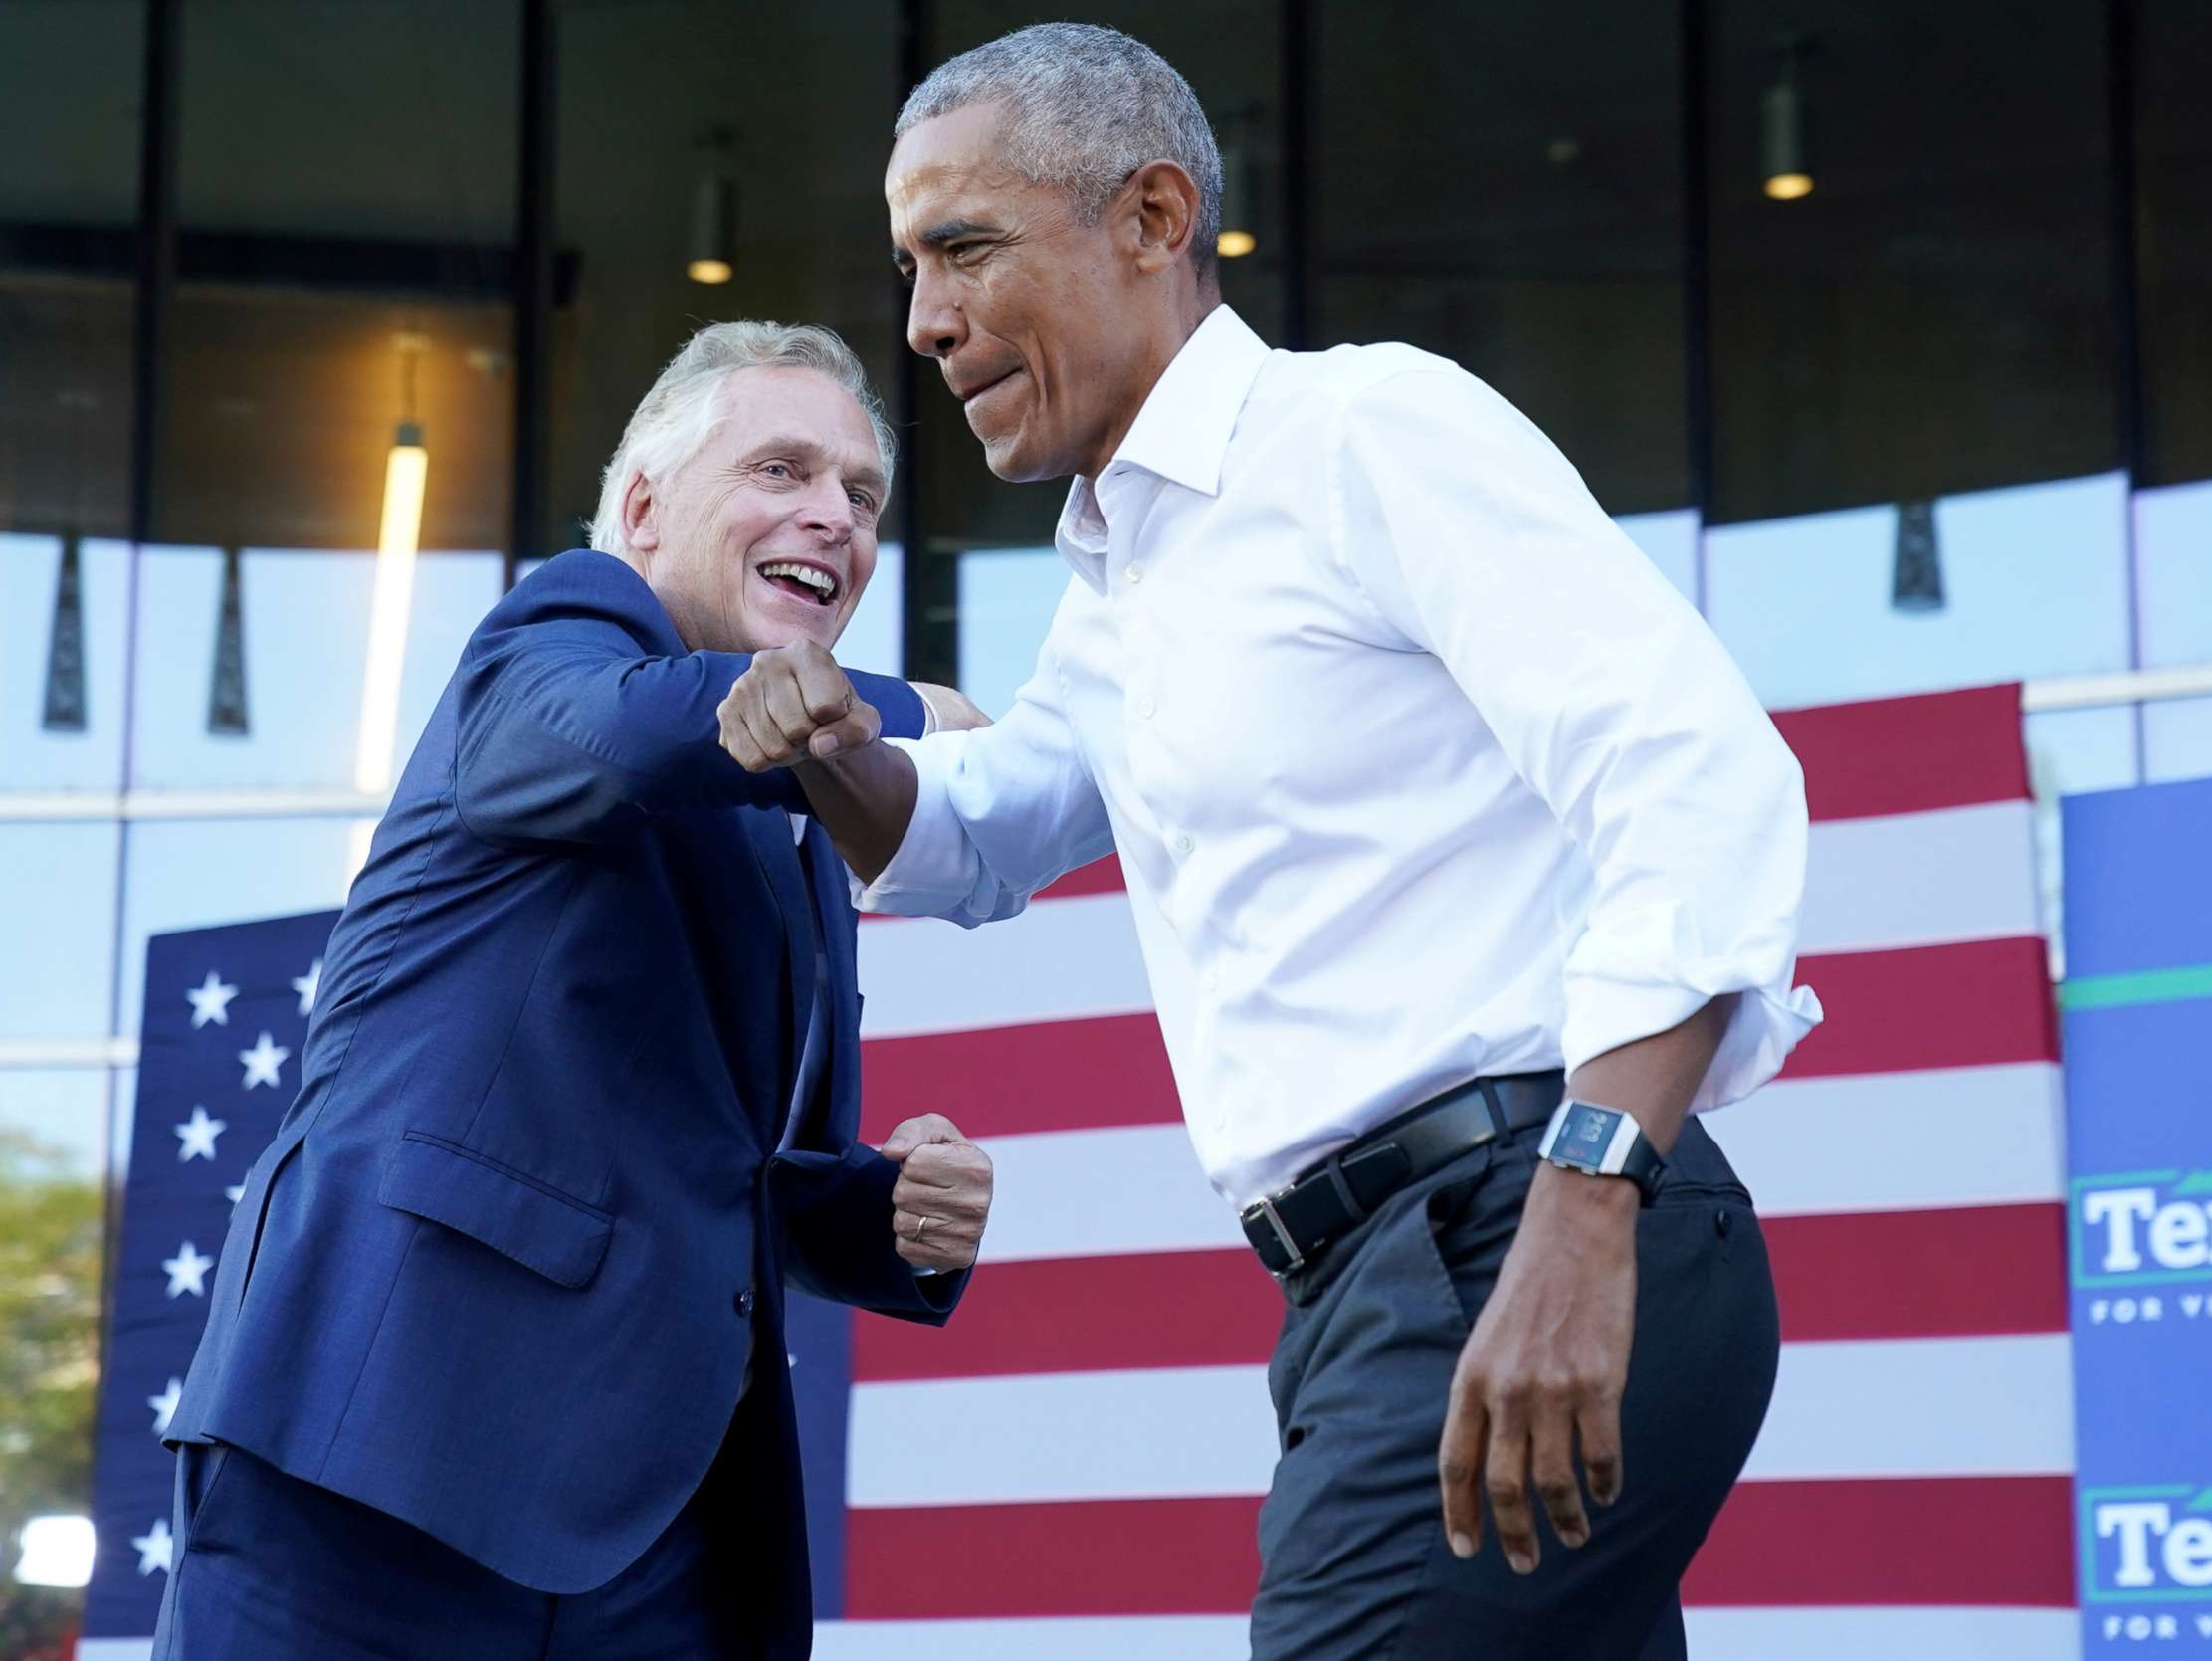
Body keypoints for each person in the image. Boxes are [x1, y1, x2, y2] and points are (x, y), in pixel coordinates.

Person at [735, 24, 1826, 1658]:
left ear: (1155, 217)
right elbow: (984, 828)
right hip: (1374, 1290)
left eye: (963, 248)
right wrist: (830, 748)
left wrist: (1579, 1210)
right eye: (908, 266)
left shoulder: (1363, 433)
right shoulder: (1121, 573)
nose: (925, 321)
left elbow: (1700, 775)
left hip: (1524, 1227)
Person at [155, 321, 995, 1661]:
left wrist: (887, 1210)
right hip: (382, 1465)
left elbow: (725, 1179)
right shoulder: (564, 628)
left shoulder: (800, 839)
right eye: (783, 468)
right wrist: (919, 715)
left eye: (861, 494)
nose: (832, 516)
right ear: (647, 509)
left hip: (654, 1543)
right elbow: (629, 732)